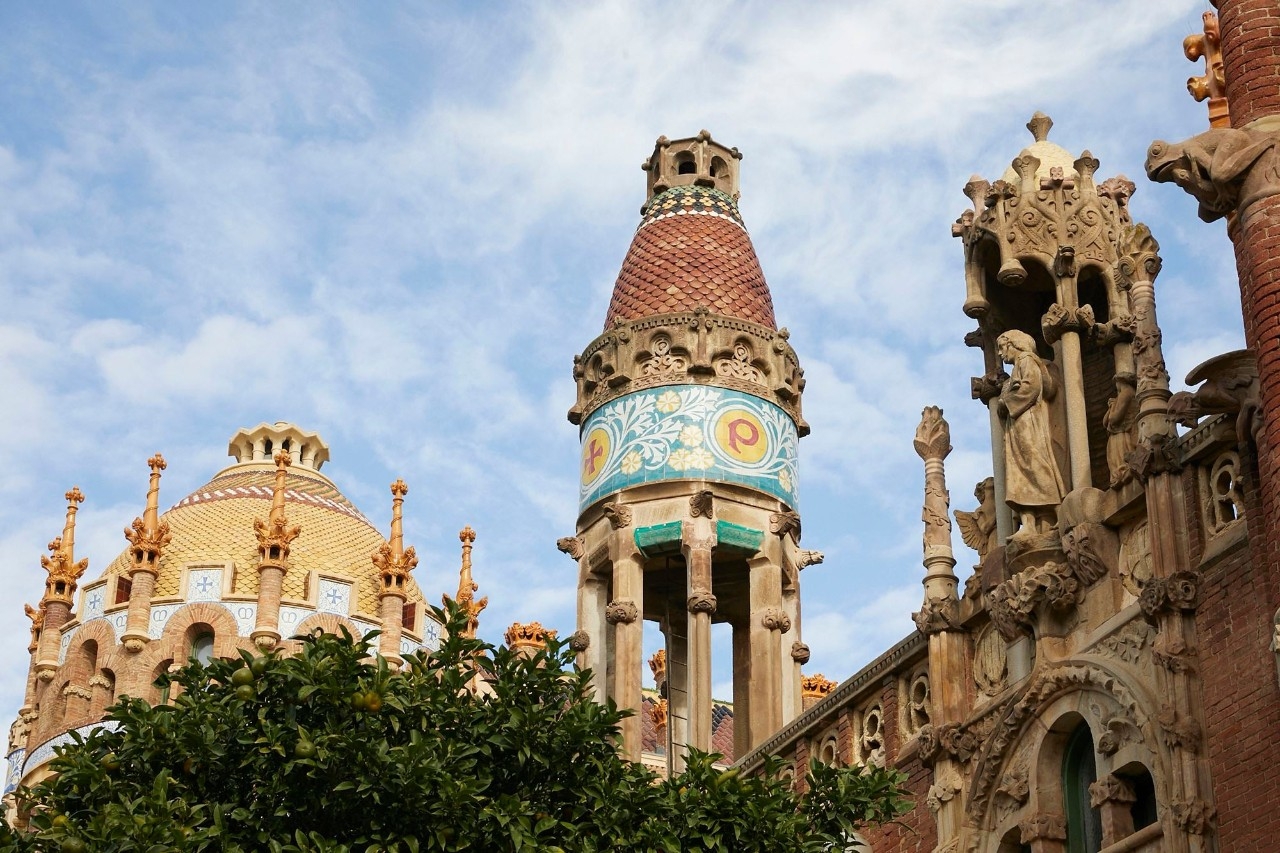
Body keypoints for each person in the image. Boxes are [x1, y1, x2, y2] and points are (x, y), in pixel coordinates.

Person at [995, 330, 1065, 534]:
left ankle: (1060, 511)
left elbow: (1032, 387)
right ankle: (1028, 523)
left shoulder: (1026, 360)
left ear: (1014, 344)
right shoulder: (1019, 365)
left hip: (1027, 420)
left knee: (1035, 463)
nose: (1000, 354)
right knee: (1017, 471)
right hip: (1016, 424)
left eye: (1002, 347)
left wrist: (1006, 403)